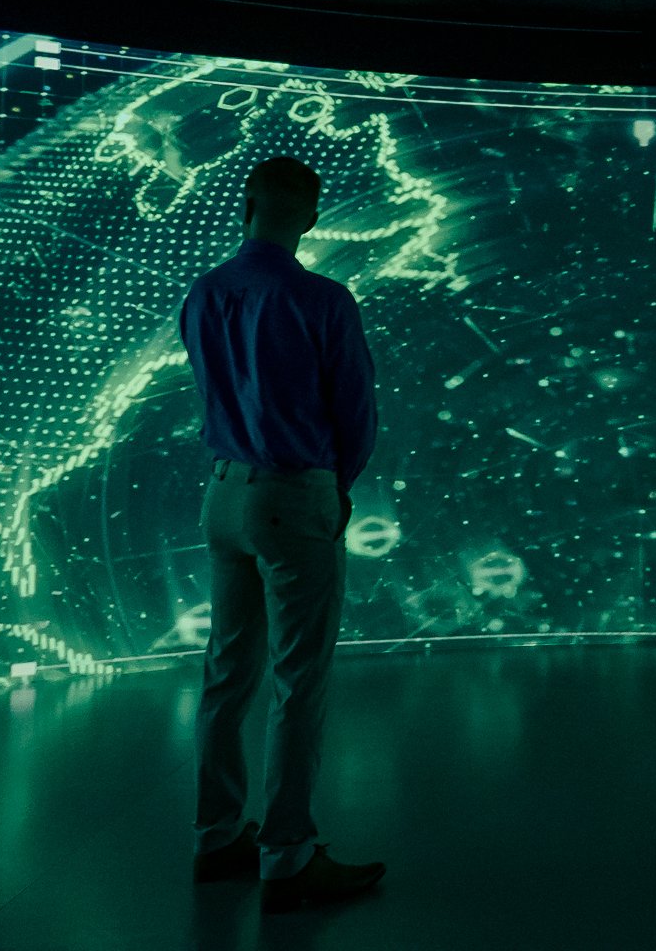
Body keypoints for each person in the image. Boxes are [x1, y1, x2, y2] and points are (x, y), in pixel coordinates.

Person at [181, 156, 386, 913]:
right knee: (299, 682)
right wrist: (337, 492)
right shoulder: (323, 299)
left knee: (226, 674)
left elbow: (209, 389)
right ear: (309, 216)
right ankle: (289, 857)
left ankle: (215, 836)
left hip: (223, 496)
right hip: (294, 498)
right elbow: (356, 415)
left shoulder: (204, 293)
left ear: (246, 205)